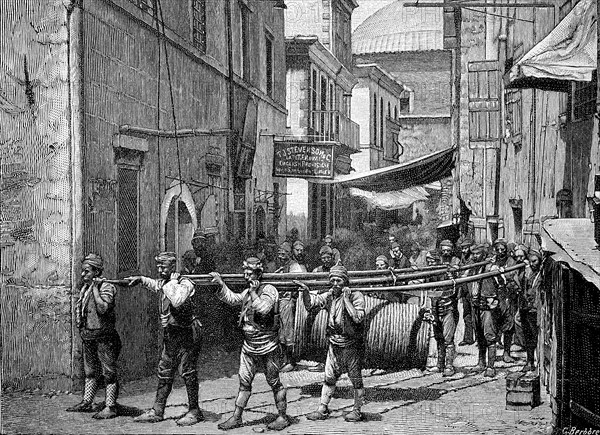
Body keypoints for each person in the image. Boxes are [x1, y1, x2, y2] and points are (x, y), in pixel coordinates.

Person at [209, 258, 290, 431]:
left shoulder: (269, 290)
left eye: (249, 272)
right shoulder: (248, 291)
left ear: (259, 274)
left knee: (274, 381)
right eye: (244, 271)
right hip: (250, 346)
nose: (246, 275)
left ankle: (282, 417)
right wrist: (221, 284)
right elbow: (232, 299)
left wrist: (253, 292)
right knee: (244, 383)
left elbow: (264, 309)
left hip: (268, 345)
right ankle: (236, 417)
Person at [125, 252, 203, 426]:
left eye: (163, 266)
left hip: (187, 333)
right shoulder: (165, 282)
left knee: (188, 371)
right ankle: (157, 410)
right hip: (171, 334)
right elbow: (156, 285)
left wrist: (173, 282)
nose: (160, 269)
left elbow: (176, 300)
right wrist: (140, 279)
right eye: (158, 266)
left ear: (173, 268)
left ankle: (194, 411)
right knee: (165, 370)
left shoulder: (185, 283)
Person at [295, 265, 366, 422]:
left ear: (345, 281)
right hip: (334, 344)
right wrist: (306, 292)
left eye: (338, 280)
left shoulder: (356, 296)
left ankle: (357, 410)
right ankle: (322, 409)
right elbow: (310, 305)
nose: (335, 283)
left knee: (356, 379)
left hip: (350, 346)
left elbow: (358, 318)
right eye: (332, 280)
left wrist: (346, 300)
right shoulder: (329, 296)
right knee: (329, 377)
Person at [66, 254, 121, 419]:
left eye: (87, 272)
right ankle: (87, 401)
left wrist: (96, 287)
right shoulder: (85, 288)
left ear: (96, 272)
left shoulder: (107, 287)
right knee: (90, 371)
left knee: (108, 372)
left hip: (104, 337)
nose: (83, 275)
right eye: (82, 272)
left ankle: (110, 406)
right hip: (89, 335)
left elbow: (103, 308)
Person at [485, 238, 520, 364]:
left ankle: (506, 352)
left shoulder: (511, 261)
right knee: (494, 324)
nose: (500, 252)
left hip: (508, 296)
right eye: (498, 249)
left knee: (509, 325)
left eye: (502, 249)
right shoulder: (493, 261)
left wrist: (503, 275)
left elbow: (513, 275)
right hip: (495, 296)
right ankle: (492, 355)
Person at [430, 243, 460, 377]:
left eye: (448, 250)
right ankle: (439, 364)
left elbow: (457, 286)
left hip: (448, 306)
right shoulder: (433, 271)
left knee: (448, 339)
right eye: (444, 251)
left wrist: (452, 275)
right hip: (435, 307)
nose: (446, 253)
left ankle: (449, 365)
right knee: (438, 337)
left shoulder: (453, 266)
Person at [464, 244, 494, 375]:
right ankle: (481, 363)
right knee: (480, 336)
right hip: (475, 305)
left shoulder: (489, 267)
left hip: (486, 306)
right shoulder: (473, 268)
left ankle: (491, 367)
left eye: (477, 254)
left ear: (483, 254)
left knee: (489, 336)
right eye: (473, 254)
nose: (474, 256)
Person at [275, 242, 301, 373]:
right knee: (281, 332)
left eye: (283, 252)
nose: (280, 255)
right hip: (282, 301)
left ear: (289, 253)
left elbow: (297, 282)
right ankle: (285, 359)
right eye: (279, 252)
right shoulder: (283, 266)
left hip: (289, 301)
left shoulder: (294, 266)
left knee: (288, 332)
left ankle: (291, 361)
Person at [518, 249, 543, 372]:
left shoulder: (542, 275)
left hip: (535, 310)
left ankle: (538, 363)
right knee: (528, 336)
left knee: (536, 336)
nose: (533, 264)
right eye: (531, 262)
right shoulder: (527, 274)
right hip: (525, 309)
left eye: (535, 261)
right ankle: (529, 362)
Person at [457, 238, 476, 346]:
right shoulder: (463, 258)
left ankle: (479, 338)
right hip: (464, 290)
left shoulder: (473, 259)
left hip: (472, 290)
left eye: (465, 248)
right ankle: (468, 338)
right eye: (463, 248)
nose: (464, 250)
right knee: (466, 315)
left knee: (476, 316)